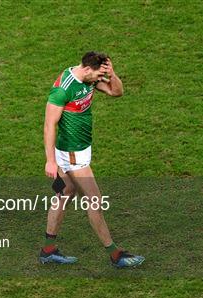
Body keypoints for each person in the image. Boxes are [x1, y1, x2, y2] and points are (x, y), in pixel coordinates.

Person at [40, 51, 144, 268]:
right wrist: (50, 161)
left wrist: (111, 74)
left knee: (65, 194)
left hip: (78, 151)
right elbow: (50, 124)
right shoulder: (63, 89)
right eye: (98, 76)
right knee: (94, 200)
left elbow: (117, 92)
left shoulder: (88, 79)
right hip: (72, 155)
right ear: (87, 69)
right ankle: (116, 255)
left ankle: (48, 250)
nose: (100, 80)